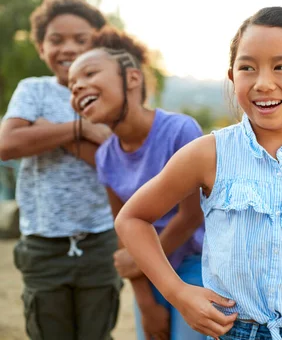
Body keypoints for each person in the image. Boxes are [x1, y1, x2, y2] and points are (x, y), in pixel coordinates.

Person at [112, 6, 282, 340]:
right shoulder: (207, 154)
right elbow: (132, 219)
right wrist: (178, 292)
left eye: (281, 66)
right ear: (232, 76)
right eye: (247, 68)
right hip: (233, 331)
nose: (263, 83)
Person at [68, 27, 207, 340]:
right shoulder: (105, 157)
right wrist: (145, 302)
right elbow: (124, 232)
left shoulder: (179, 131)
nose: (78, 88)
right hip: (148, 271)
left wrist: (139, 261)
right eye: (72, 86)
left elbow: (192, 216)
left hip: (196, 266)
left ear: (131, 78)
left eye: (89, 73)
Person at [0, 0, 120, 340]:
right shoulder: (32, 90)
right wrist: (79, 129)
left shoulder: (108, 95)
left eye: (81, 40)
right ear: (40, 47)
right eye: (56, 39)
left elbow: (113, 163)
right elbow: (8, 145)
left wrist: (41, 131)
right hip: (42, 243)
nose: (68, 48)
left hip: (99, 240)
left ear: (99, 46)